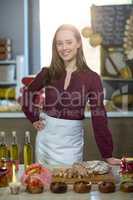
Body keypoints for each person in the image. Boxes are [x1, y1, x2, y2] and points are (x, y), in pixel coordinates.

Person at [22, 24, 121, 166]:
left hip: (71, 144)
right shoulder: (47, 73)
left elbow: (99, 117)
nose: (64, 48)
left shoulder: (92, 78)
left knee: (71, 182)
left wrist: (107, 154)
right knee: (44, 184)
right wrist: (33, 117)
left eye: (69, 42)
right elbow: (27, 94)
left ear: (79, 43)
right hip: (46, 141)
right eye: (59, 43)